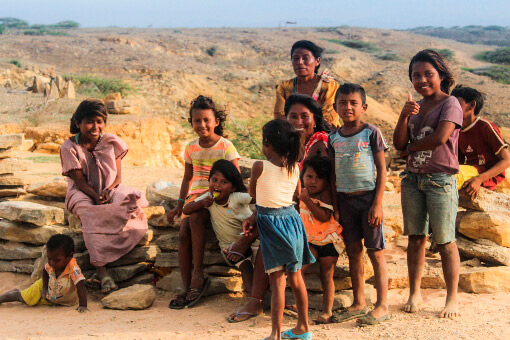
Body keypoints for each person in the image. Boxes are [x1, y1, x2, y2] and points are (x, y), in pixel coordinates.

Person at [393, 49, 462, 319]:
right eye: (416, 75)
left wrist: (409, 149)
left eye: (428, 74)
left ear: (441, 76)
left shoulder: (451, 103)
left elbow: (440, 137)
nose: (422, 80)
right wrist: (403, 116)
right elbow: (398, 143)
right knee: (415, 238)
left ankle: (452, 298)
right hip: (413, 180)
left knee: (445, 240)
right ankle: (414, 293)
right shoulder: (415, 106)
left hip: (440, 180)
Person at [60, 99, 148, 294]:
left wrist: (108, 191)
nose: (95, 126)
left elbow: (118, 176)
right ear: (77, 123)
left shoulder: (110, 141)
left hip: (110, 189)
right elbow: (80, 181)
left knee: (130, 202)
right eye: (90, 121)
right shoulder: (69, 147)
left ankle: (119, 253)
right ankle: (102, 271)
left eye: (99, 121)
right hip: (81, 193)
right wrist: (96, 196)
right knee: (90, 214)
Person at [243, 119, 315, 340]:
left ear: (267, 143)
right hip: (293, 222)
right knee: (295, 279)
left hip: (272, 224)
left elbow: (253, 194)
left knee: (277, 283)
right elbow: (297, 194)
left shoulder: (259, 166)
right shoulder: (294, 167)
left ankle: (275, 334)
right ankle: (303, 327)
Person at [167, 95, 240, 309]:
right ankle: (186, 283)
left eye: (206, 120)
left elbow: (234, 178)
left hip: (216, 196)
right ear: (191, 123)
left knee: (196, 218)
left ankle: (198, 275)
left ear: (216, 121)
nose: (202, 125)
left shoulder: (226, 146)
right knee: (182, 234)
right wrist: (180, 204)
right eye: (197, 121)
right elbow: (188, 178)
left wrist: (217, 195)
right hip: (195, 196)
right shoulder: (191, 147)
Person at [329, 83, 390, 326]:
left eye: (353, 103)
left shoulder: (371, 132)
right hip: (345, 201)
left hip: (368, 200)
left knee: (376, 252)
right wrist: (335, 206)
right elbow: (333, 176)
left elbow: (382, 169)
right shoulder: (334, 137)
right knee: (354, 252)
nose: (348, 107)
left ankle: (383, 304)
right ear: (335, 107)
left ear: (363, 107)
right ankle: (359, 302)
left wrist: (378, 204)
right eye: (342, 103)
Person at [182, 160, 257, 293]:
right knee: (247, 274)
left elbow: (259, 200)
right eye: (214, 180)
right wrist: (201, 204)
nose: (217, 185)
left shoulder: (237, 197)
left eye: (224, 182)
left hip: (251, 242)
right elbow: (186, 210)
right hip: (230, 251)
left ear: (232, 188)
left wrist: (254, 215)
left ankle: (261, 297)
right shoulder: (208, 198)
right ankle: (253, 295)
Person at [299, 155, 344, 324]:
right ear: (302, 176)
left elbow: (324, 217)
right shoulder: (301, 193)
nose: (313, 182)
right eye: (309, 176)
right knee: (299, 269)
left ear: (326, 182)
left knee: (326, 274)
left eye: (319, 178)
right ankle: (301, 304)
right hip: (309, 240)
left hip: (327, 240)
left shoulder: (325, 195)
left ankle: (327, 311)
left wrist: (307, 201)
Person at [0, 234, 87, 312]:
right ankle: (5, 297)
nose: (52, 263)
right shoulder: (52, 265)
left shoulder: (73, 269)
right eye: (49, 259)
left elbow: (81, 286)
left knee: (34, 301)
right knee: (24, 298)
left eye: (57, 260)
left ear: (70, 256)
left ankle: (18, 293)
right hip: (48, 290)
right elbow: (45, 271)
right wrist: (44, 288)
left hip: (57, 298)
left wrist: (83, 305)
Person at [451, 85, 510, 198]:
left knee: (450, 177)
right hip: (469, 169)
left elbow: (506, 160)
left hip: (486, 174)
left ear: (472, 105)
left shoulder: (485, 127)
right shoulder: (456, 129)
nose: (451, 108)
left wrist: (479, 179)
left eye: (456, 104)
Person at [274, 40, 340, 128]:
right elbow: (280, 117)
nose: (300, 62)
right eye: (296, 58)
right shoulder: (284, 87)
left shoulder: (328, 85)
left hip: (323, 135)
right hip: (293, 135)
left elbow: (329, 118)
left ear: (317, 61)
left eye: (305, 58)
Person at [284, 94, 331, 168]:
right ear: (286, 119)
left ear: (315, 120)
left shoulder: (321, 141)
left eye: (304, 116)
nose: (299, 122)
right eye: (293, 117)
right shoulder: (285, 144)